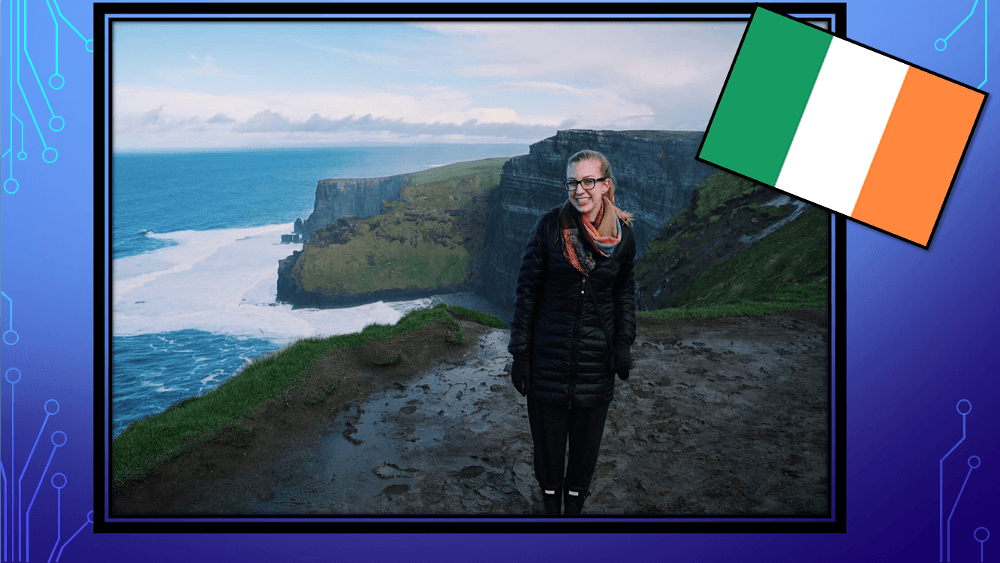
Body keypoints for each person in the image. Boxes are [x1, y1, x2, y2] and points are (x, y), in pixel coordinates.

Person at [508, 149, 637, 515]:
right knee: (548, 460)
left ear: (605, 185)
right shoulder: (549, 227)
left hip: (596, 366)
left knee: (583, 459)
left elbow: (624, 292)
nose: (579, 190)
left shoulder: (623, 237)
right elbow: (527, 292)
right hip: (548, 361)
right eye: (572, 182)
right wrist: (521, 354)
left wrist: (624, 341)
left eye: (587, 181)